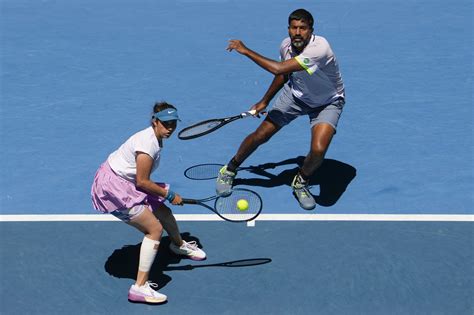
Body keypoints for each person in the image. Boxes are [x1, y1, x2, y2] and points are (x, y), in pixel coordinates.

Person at [216, 9, 345, 210]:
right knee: (260, 135)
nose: (298, 32)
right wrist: (264, 100)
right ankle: (230, 169)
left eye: (303, 28)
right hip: (295, 96)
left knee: (318, 149)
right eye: (294, 28)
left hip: (327, 102)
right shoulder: (286, 45)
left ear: (311, 30)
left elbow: (278, 68)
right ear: (288, 29)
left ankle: (301, 180)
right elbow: (284, 74)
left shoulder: (320, 48)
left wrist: (246, 50)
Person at [91, 102, 206, 304]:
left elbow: (140, 181)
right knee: (154, 229)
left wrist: (165, 197)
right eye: (166, 123)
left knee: (163, 211)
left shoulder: (155, 138)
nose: (170, 128)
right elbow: (142, 182)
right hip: (115, 188)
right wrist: (169, 194)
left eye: (173, 124)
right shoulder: (148, 145)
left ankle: (178, 245)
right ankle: (139, 287)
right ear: (155, 121)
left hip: (126, 181)